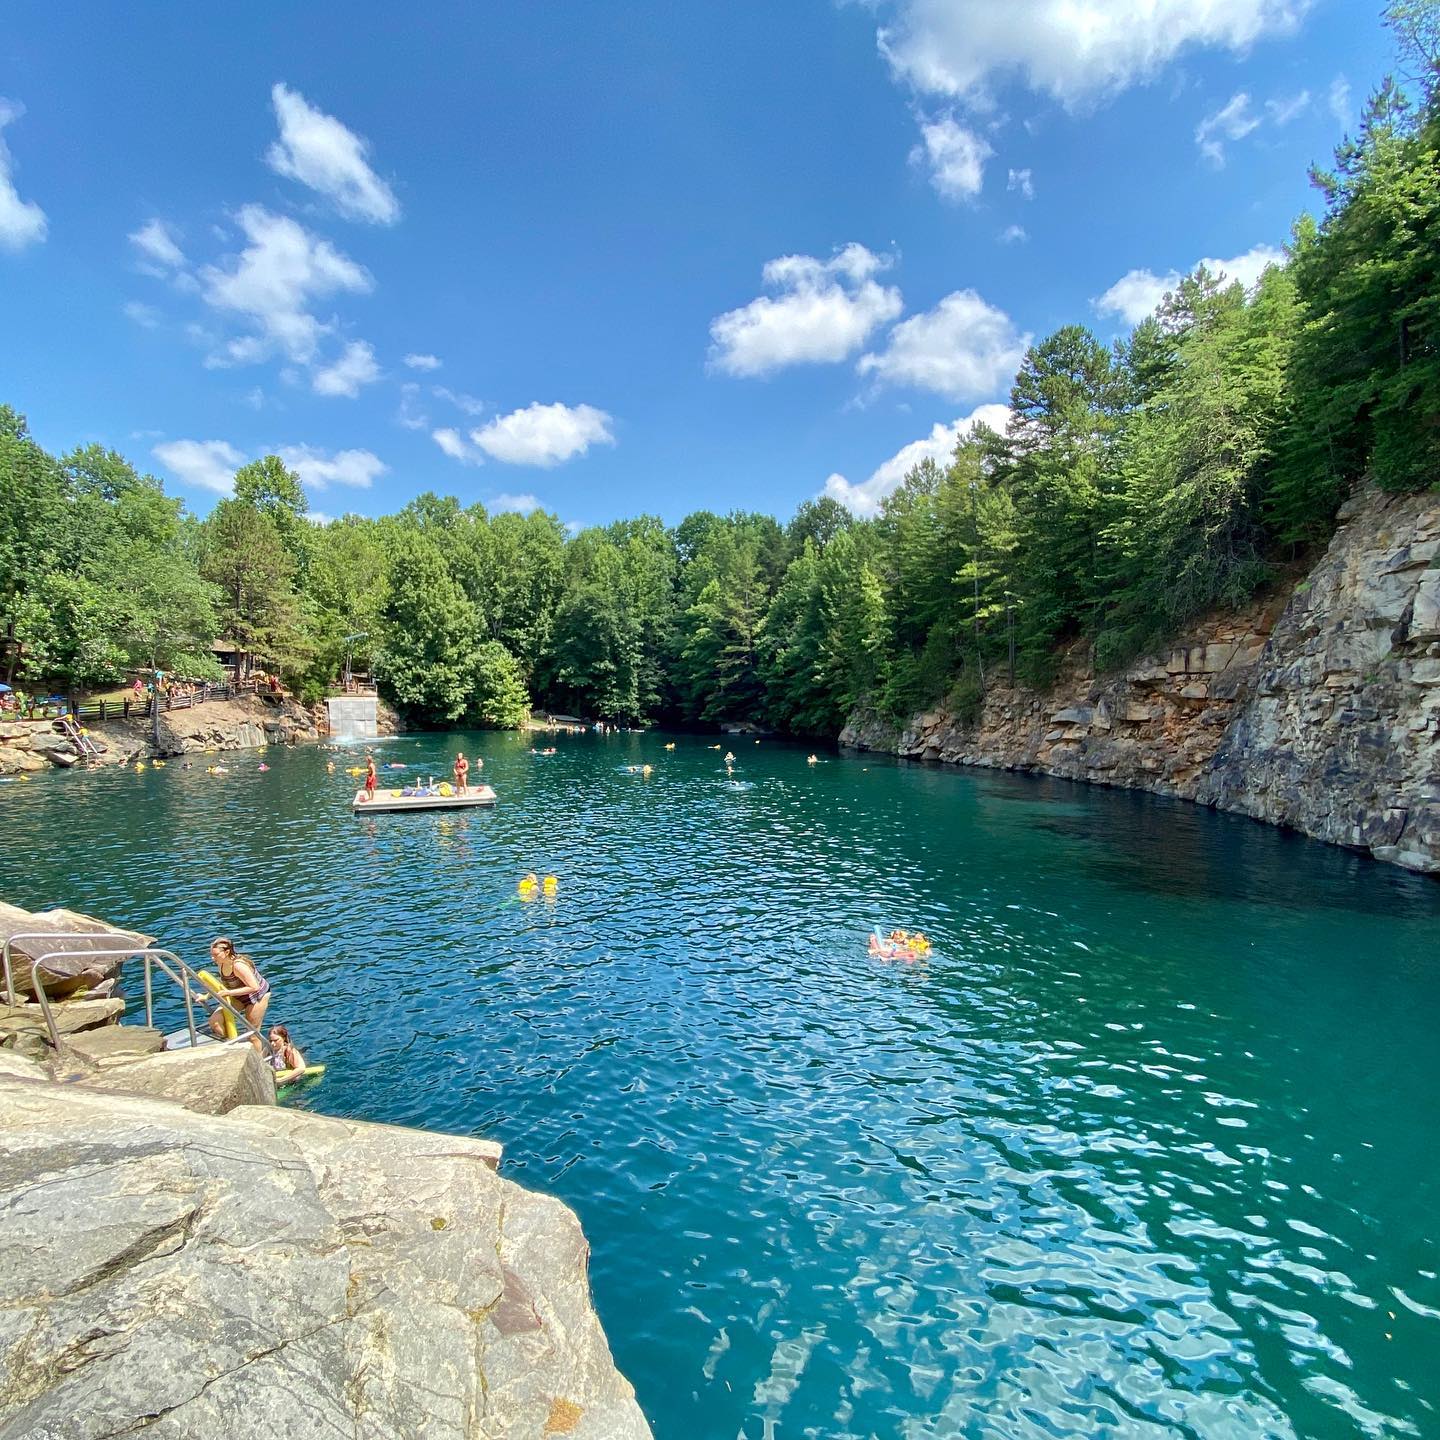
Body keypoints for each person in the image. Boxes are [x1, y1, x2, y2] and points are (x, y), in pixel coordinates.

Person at [201, 937, 271, 1049]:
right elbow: (221, 984)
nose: (213, 958)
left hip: (257, 997)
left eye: (216, 955)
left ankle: (259, 1063)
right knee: (215, 1021)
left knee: (252, 1035)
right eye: (212, 955)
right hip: (238, 995)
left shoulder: (238, 965)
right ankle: (232, 1047)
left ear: (227, 952)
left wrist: (228, 992)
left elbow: (254, 987)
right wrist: (207, 996)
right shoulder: (221, 964)